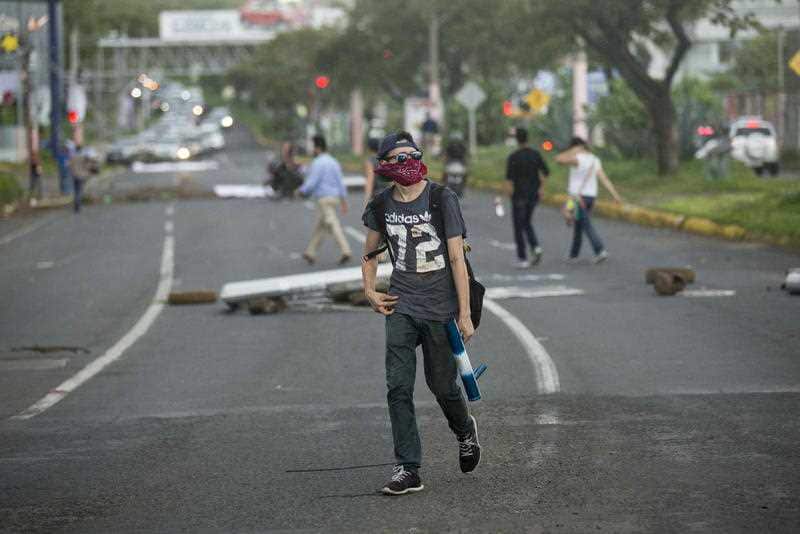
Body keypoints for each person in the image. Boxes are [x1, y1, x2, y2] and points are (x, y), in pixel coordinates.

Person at [361, 131, 481, 496]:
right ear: (385, 166)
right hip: (401, 305)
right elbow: (369, 254)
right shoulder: (381, 205)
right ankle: (408, 467)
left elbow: (458, 258)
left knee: (442, 386)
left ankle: (464, 431)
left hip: (440, 309)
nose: (408, 162)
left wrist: (464, 313)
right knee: (397, 387)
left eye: (413, 155)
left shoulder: (442, 198)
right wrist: (369, 291)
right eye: (399, 158)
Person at [555, 137, 623, 263]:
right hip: (590, 197)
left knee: (585, 224)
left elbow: (558, 159)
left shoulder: (577, 159)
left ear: (574, 146)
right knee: (578, 223)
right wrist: (615, 195)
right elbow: (603, 178)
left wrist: (572, 152)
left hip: (577, 198)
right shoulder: (594, 160)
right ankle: (573, 254)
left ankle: (600, 250)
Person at [298, 135, 352, 265]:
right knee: (321, 226)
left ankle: (346, 250)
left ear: (317, 148)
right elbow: (340, 182)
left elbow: (312, 181)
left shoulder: (318, 163)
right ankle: (310, 252)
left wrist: (301, 191)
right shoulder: (334, 161)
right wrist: (344, 201)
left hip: (323, 199)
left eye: (313, 147)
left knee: (332, 223)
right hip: (334, 198)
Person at [505, 127, 549, 268]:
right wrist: (541, 188)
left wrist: (509, 194)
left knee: (519, 226)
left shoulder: (513, 157)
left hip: (518, 196)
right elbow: (545, 172)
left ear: (517, 139)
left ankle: (522, 258)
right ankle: (535, 247)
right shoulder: (535, 154)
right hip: (533, 195)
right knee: (527, 222)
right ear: (527, 138)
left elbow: (509, 181)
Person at [68, 144, 94, 213]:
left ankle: (76, 205)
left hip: (74, 176)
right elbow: (88, 166)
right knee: (80, 191)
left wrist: (72, 173)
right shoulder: (84, 157)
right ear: (81, 150)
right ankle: (78, 206)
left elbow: (70, 166)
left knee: (76, 190)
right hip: (82, 176)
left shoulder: (72, 157)